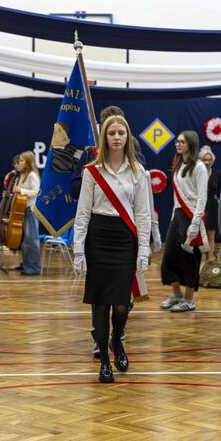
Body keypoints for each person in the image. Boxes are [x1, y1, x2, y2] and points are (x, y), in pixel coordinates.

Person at [73, 115, 151, 383]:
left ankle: (116, 341)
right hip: (98, 238)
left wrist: (143, 251)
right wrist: (78, 251)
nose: (116, 137)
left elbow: (143, 216)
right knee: (101, 303)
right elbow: (82, 213)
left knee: (121, 305)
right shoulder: (91, 172)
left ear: (128, 137)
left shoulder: (139, 172)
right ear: (104, 138)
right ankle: (104, 362)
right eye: (111, 133)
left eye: (121, 132)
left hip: (124, 239)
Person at [160, 130, 209, 313]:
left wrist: (195, 224)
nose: (178, 144)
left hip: (193, 217)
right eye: (177, 142)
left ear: (191, 144)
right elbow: (176, 197)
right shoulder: (178, 164)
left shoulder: (199, 167)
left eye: (182, 142)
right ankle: (176, 294)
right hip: (178, 215)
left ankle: (189, 300)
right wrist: (174, 217)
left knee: (191, 259)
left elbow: (202, 198)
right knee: (169, 257)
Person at [13, 150, 42, 275]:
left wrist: (20, 190)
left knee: (32, 239)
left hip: (31, 209)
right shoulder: (24, 175)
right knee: (26, 239)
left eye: (21, 160)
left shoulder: (32, 175)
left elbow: (37, 192)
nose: (18, 163)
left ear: (28, 162)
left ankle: (34, 268)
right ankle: (26, 264)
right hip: (25, 209)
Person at [199, 145, 221, 256]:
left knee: (211, 234)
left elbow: (220, 191)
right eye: (205, 160)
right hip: (200, 206)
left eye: (209, 159)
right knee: (199, 235)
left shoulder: (217, 174)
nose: (208, 162)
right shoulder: (197, 173)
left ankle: (209, 261)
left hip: (212, 207)